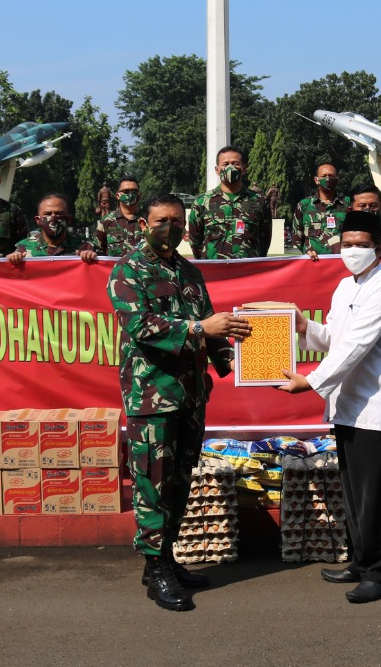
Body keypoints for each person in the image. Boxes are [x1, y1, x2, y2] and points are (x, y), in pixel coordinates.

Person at [107, 193, 254, 611]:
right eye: (159, 220)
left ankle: (166, 557)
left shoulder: (189, 270)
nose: (168, 227)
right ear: (143, 224)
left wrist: (241, 363)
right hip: (152, 395)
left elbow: (211, 328)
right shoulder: (128, 270)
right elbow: (140, 326)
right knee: (153, 485)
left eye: (175, 220)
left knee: (180, 481)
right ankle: (156, 571)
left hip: (190, 395)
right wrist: (198, 327)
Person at [277, 211, 381, 604]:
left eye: (361, 244)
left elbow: (356, 348)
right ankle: (361, 559)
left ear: (379, 247)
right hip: (349, 406)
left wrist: (311, 382)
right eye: (347, 244)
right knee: (354, 492)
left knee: (380, 496)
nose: (352, 251)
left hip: (379, 408)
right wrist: (305, 328)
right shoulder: (343, 287)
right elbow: (334, 340)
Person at [187, 146, 272, 259]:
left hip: (248, 271)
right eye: (225, 164)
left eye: (236, 163)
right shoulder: (202, 202)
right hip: (216, 271)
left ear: (244, 169)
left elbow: (264, 239)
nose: (231, 168)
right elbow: (195, 241)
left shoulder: (259, 201)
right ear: (217, 170)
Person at [303, 185, 381, 262]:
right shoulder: (333, 244)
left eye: (373, 205)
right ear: (350, 210)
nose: (368, 209)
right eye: (362, 205)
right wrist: (309, 260)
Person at [6, 193, 96, 264]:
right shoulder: (23, 248)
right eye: (47, 214)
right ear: (38, 220)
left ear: (69, 219)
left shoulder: (85, 247)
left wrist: (91, 259)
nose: (53, 218)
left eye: (59, 213)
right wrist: (12, 260)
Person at [288, 163, 350, 256]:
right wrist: (308, 252)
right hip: (313, 263)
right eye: (324, 176)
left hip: (341, 263)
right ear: (316, 180)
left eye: (331, 176)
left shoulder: (348, 203)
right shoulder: (304, 205)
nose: (328, 179)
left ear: (338, 179)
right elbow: (297, 237)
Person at [95, 175, 144, 258]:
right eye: (126, 191)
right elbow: (98, 252)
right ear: (118, 196)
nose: (131, 194)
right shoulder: (106, 222)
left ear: (139, 195)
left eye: (134, 191)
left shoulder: (149, 220)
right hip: (116, 270)